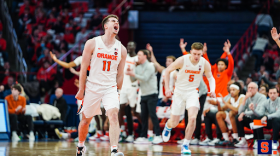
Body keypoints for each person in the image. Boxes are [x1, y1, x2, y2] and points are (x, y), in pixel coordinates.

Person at [75, 14, 127, 156]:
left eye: (117, 21)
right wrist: (81, 89)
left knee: (114, 115)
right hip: (92, 86)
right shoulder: (92, 43)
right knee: (86, 121)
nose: (116, 23)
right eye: (113, 21)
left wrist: (119, 90)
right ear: (105, 26)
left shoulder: (122, 49)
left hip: (110, 87)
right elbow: (83, 68)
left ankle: (114, 150)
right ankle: (80, 146)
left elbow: (120, 74)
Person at [161, 42, 216, 154]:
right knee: (175, 122)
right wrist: (167, 88)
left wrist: (212, 90)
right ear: (190, 52)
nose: (196, 56)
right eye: (194, 54)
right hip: (179, 92)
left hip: (192, 92)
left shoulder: (204, 63)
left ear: (202, 53)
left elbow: (211, 78)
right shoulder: (182, 60)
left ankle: (185, 145)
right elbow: (167, 71)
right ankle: (168, 126)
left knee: (192, 118)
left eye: (199, 54)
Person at [126, 49, 163, 144]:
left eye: (139, 55)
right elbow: (133, 80)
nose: (137, 57)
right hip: (143, 94)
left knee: (152, 115)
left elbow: (145, 78)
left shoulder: (150, 66)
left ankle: (158, 135)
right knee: (143, 116)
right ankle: (143, 136)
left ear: (145, 56)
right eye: (137, 55)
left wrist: (133, 74)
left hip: (152, 94)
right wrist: (130, 72)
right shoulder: (138, 67)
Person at [177, 39, 208, 145]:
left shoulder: (202, 62)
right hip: (190, 92)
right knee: (187, 114)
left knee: (197, 115)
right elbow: (188, 57)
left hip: (201, 92)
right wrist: (183, 49)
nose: (196, 56)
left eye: (198, 54)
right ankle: (187, 138)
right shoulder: (188, 60)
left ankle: (197, 138)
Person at [200, 80, 235, 146]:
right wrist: (211, 108)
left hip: (230, 117)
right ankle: (209, 137)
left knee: (218, 114)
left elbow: (226, 108)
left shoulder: (235, 96)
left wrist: (217, 104)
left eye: (230, 85)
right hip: (223, 115)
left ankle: (219, 137)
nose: (228, 87)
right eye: (227, 85)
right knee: (207, 113)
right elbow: (220, 107)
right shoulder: (227, 96)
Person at [235, 82, 267, 148]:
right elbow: (239, 111)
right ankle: (243, 140)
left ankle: (257, 140)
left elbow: (259, 113)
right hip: (251, 120)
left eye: (252, 88)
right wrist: (245, 98)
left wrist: (244, 113)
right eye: (248, 88)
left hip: (261, 120)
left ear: (257, 89)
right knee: (238, 117)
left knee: (255, 117)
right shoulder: (247, 97)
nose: (249, 89)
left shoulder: (262, 97)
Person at [119, 41, 138, 143]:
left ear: (135, 47)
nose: (129, 47)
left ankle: (135, 133)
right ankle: (123, 131)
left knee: (133, 111)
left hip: (133, 87)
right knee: (121, 109)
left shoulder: (137, 58)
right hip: (123, 87)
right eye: (128, 45)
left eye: (131, 45)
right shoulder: (124, 57)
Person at [215, 82, 245, 146]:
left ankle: (236, 138)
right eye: (231, 90)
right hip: (233, 120)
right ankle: (226, 139)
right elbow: (221, 109)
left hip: (242, 119)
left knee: (231, 113)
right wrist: (218, 103)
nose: (231, 92)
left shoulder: (242, 97)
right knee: (219, 114)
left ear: (238, 90)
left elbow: (237, 110)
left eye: (233, 90)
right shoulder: (231, 99)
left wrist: (225, 102)